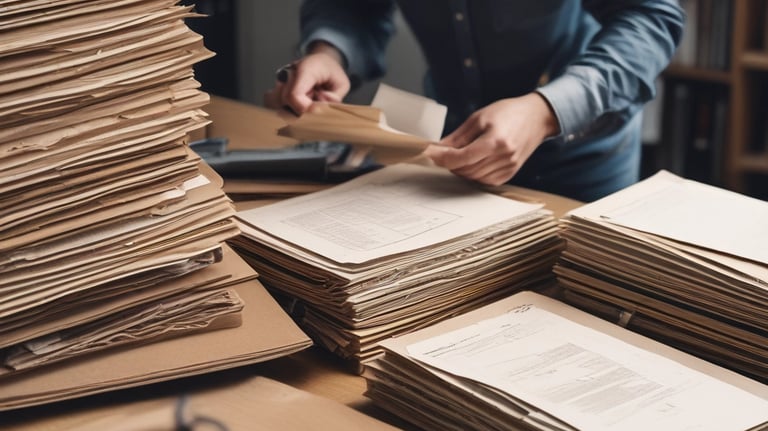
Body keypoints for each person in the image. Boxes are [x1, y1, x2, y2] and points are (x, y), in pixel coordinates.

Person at [264, 1, 684, 202]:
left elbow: (649, 17)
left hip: (580, 162)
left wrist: (545, 110)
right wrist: (329, 53)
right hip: (451, 159)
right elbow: (352, 8)